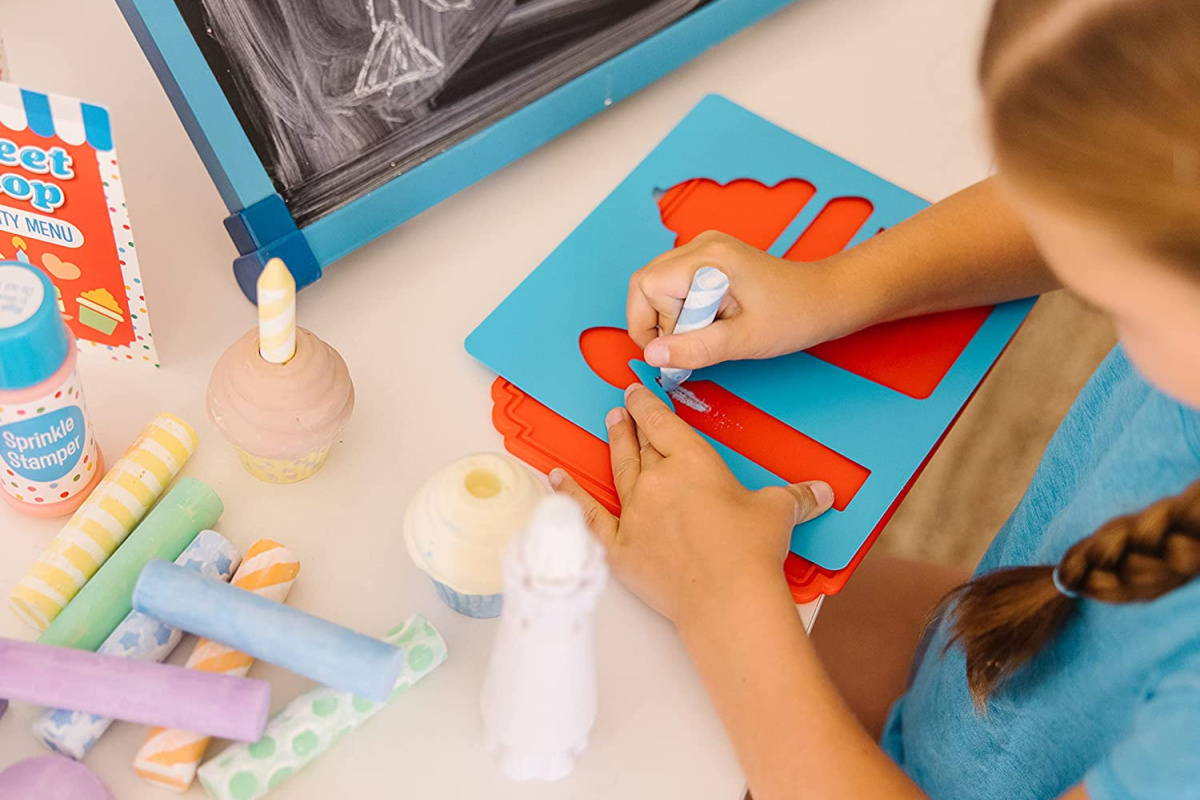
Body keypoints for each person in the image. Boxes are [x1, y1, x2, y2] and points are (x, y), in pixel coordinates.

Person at [549, 1, 1200, 797]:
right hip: (991, 666)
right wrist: (834, 288)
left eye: (1115, 302)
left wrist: (721, 599)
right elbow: (1101, 185)